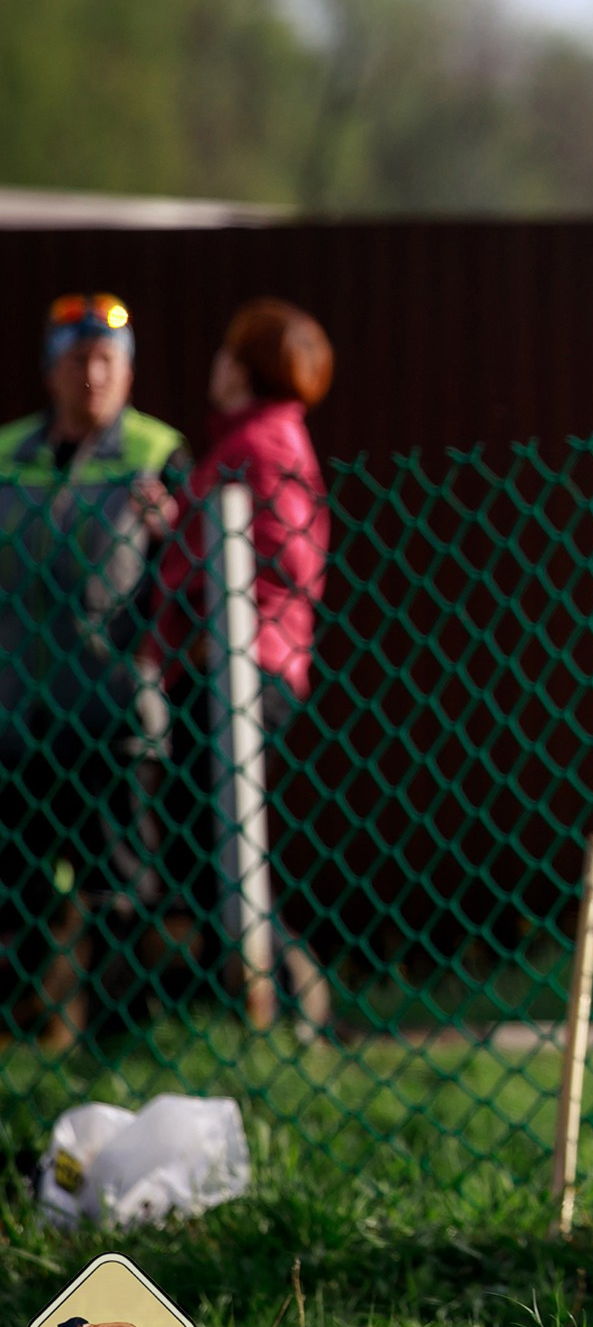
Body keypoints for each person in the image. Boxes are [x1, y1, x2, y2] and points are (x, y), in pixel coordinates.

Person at [1, 294, 189, 1051]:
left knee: (120, 883)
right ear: (51, 368)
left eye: (109, 360)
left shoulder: (156, 453)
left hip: (110, 715)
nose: (94, 374)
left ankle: (119, 1042)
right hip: (14, 715)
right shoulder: (8, 453)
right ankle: (26, 1032)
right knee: (17, 885)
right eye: (79, 358)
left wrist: (173, 530)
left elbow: (198, 571)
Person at [146, 297, 335, 1036]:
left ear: (247, 367)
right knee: (205, 837)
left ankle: (283, 990)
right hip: (223, 663)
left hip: (243, 667)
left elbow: (288, 557)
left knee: (207, 836)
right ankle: (252, 995)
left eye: (228, 353)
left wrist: (218, 612)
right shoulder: (243, 443)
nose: (214, 365)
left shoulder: (265, 441)